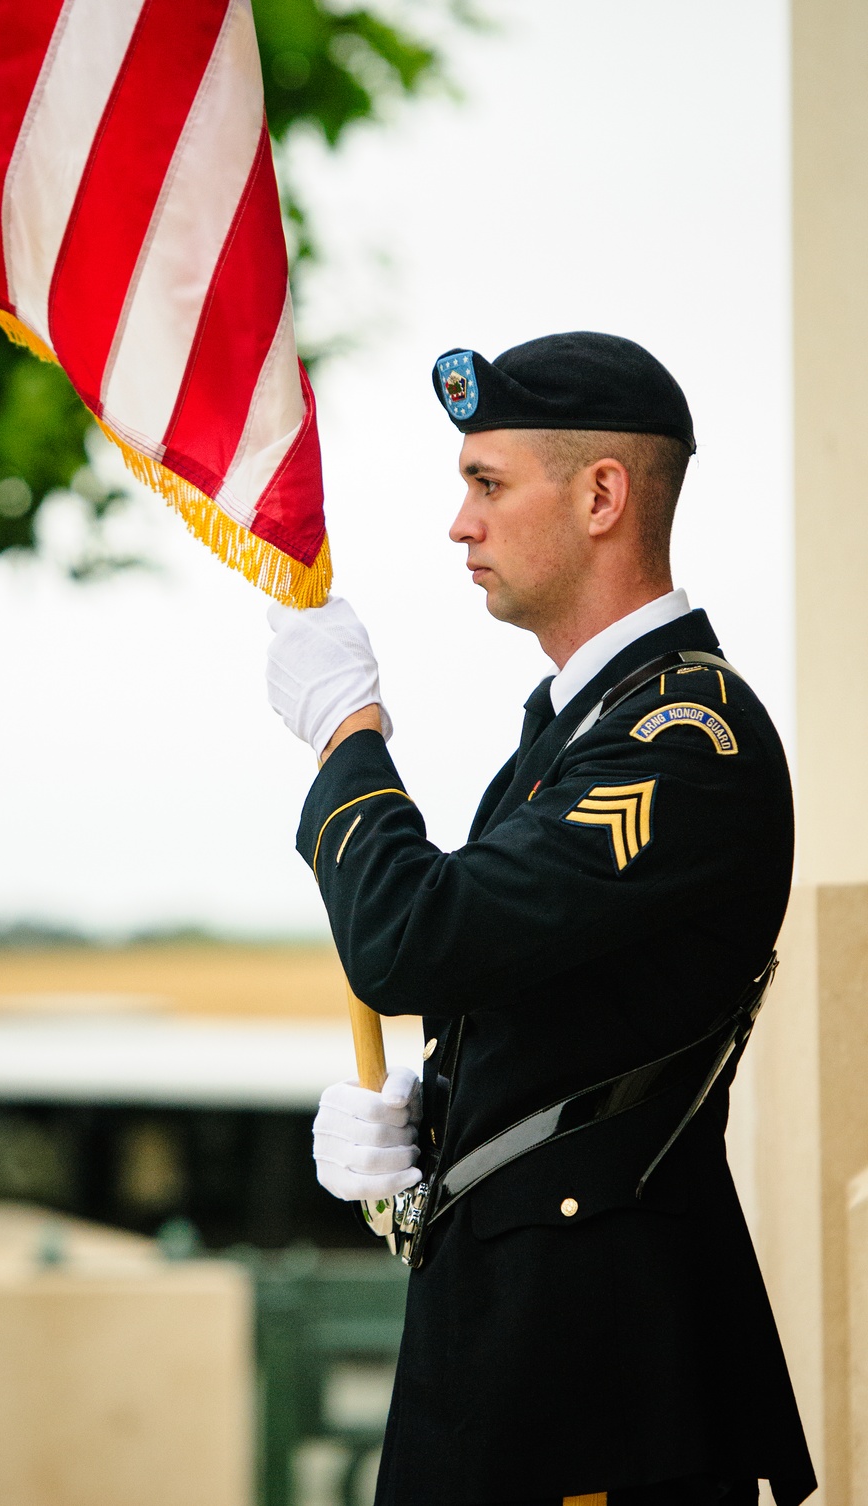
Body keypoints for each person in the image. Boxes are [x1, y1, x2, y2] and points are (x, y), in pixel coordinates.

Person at [266, 332, 816, 1506]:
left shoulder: (683, 742)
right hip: (522, 1357)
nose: (458, 525)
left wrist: (347, 738)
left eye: (486, 483)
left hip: (596, 1387)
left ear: (602, 494)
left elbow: (414, 937)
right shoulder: (581, 722)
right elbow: (545, 995)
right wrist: (435, 1126)